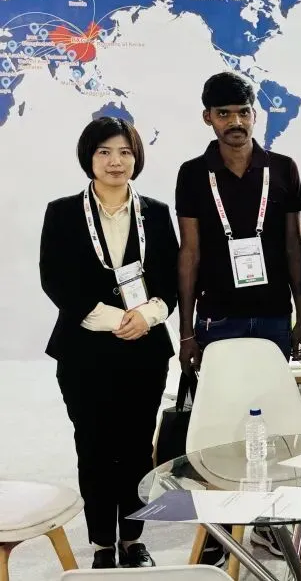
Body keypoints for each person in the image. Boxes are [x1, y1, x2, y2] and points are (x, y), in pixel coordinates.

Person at [40, 118, 179, 569]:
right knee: (94, 446)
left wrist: (148, 316)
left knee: (137, 447)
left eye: (124, 151)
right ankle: (102, 542)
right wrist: (118, 318)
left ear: (136, 157)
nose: (115, 161)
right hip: (84, 351)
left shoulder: (155, 212)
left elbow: (170, 280)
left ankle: (133, 539)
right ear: (89, 157)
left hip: (145, 350)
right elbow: (55, 279)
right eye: (104, 152)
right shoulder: (62, 212)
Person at [175, 73, 301, 368]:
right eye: (224, 114)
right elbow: (189, 253)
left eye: (243, 112)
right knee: (221, 397)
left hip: (274, 315)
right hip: (217, 316)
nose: (236, 122)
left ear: (255, 115)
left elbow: (294, 247)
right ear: (208, 117)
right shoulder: (192, 174)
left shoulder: (284, 168)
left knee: (272, 395)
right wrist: (186, 332)